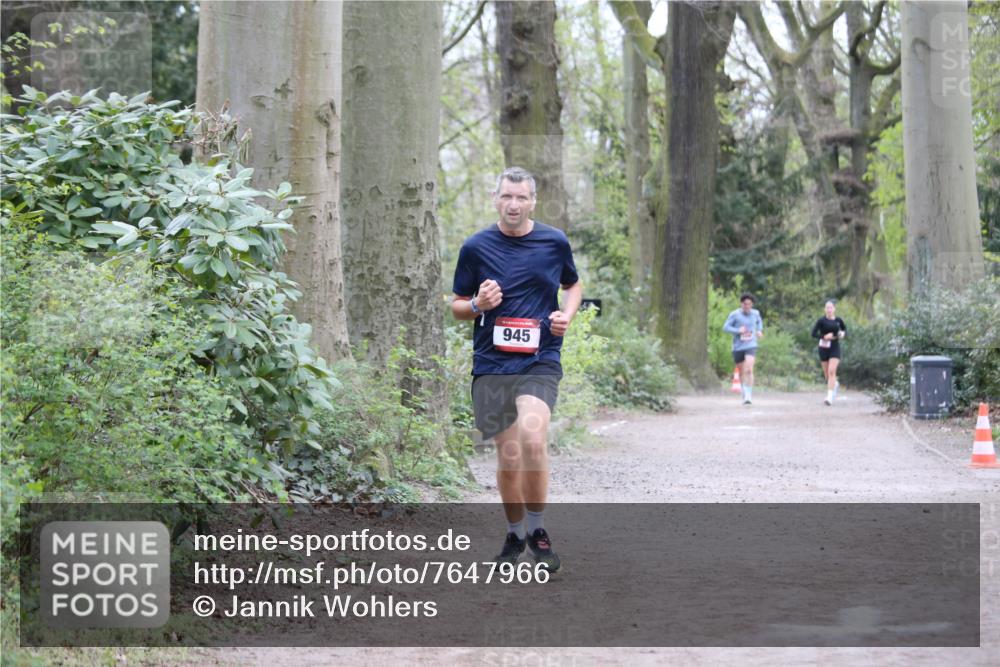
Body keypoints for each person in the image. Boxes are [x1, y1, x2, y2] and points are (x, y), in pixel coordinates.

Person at [451, 166, 582, 573]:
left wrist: (567, 315)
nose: (513, 204)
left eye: (521, 197)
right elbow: (456, 304)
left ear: (532, 202)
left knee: (532, 437)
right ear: (495, 198)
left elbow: (572, 285)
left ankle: (539, 533)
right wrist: (477, 306)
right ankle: (514, 533)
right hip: (492, 364)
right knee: (508, 455)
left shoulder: (553, 242)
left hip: (539, 360)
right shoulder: (475, 247)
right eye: (507, 196)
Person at [722, 293, 764, 405]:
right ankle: (744, 391)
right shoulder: (734, 315)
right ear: (741, 304)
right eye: (745, 304)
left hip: (751, 345)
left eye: (749, 304)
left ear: (752, 305)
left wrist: (759, 331)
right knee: (741, 372)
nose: (747, 306)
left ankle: (749, 395)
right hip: (738, 346)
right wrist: (737, 330)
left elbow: (759, 322)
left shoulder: (756, 313)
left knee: (749, 369)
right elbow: (725, 327)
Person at [811, 300, 847, 406]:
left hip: (834, 347)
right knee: (827, 375)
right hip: (823, 347)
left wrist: (843, 334)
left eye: (831, 307)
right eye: (827, 307)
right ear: (824, 309)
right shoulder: (821, 321)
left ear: (834, 309)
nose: (829, 310)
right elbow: (813, 334)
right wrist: (824, 337)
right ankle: (834, 384)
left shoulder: (838, 320)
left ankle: (830, 397)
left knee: (832, 371)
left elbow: (845, 330)